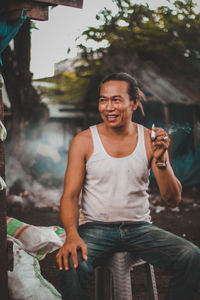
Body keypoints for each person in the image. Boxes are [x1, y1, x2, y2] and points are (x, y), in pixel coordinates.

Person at [56, 72, 200, 300]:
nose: (108, 107)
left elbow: (172, 199)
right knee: (71, 262)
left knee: (192, 257)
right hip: (95, 228)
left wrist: (161, 161)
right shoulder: (84, 141)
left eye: (116, 99)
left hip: (139, 228)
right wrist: (72, 235)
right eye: (103, 100)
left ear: (134, 103)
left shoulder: (150, 140)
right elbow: (70, 196)